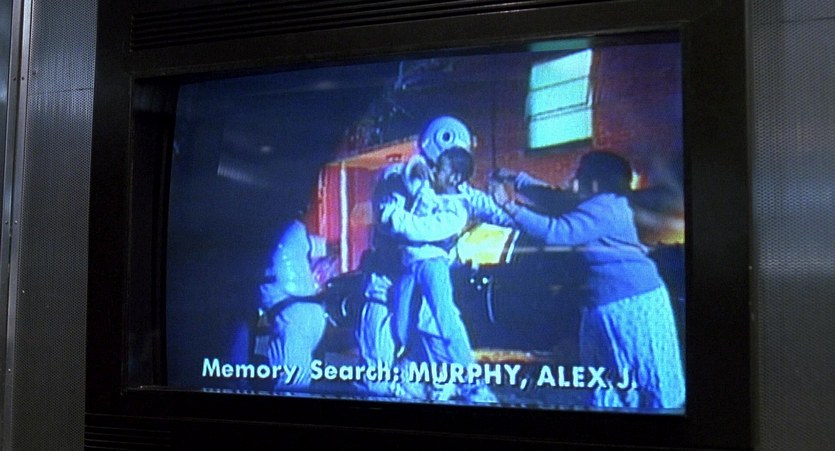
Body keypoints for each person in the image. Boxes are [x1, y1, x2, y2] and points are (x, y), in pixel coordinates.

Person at [491, 151, 685, 410]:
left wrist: (510, 206)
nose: (575, 179)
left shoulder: (607, 207)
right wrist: (517, 180)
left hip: (628, 305)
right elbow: (557, 199)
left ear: (596, 180)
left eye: (581, 173)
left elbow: (557, 232)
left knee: (639, 380)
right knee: (617, 380)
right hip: (614, 302)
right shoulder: (603, 201)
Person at [252, 219, 332, 393]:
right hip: (305, 312)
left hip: (293, 318)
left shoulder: (263, 230)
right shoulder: (296, 228)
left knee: (292, 387)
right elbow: (324, 247)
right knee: (284, 381)